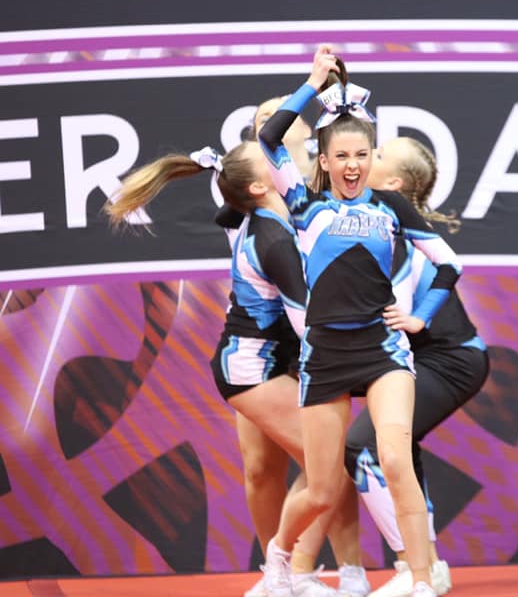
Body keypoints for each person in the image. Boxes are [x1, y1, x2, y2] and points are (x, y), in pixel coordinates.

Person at [104, 139, 368, 597]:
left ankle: (286, 573)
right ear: (261, 185)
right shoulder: (272, 237)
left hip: (258, 365)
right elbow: (310, 325)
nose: (288, 160)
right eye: (276, 158)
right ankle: (284, 574)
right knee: (327, 475)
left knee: (328, 473)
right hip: (252, 370)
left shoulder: (260, 218)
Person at [257, 45, 463, 597]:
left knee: (395, 457)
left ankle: (421, 582)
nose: (352, 165)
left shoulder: (392, 209)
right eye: (342, 155)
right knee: (323, 491)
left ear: (372, 157)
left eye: (362, 154)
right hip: (323, 356)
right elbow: (269, 139)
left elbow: (450, 263)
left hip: (383, 352)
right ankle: (279, 558)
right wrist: (311, 82)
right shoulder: (302, 204)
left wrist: (419, 317)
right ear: (323, 160)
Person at [346, 137, 490, 597]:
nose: (364, 158)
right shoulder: (366, 221)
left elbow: (391, 309)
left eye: (377, 155)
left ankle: (413, 565)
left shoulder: (398, 232)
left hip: (451, 360)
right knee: (396, 451)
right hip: (418, 358)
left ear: (393, 183)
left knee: (363, 447)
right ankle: (429, 566)